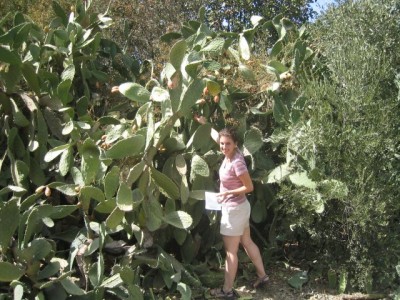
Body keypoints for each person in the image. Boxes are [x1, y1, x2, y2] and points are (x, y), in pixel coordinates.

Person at [210, 128, 269, 299]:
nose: (223, 147)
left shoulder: (237, 162)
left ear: (236, 144)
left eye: (228, 144)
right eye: (222, 144)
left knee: (231, 252)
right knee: (247, 242)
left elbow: (249, 187)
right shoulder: (229, 153)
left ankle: (227, 291)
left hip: (234, 210)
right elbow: (217, 137)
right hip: (240, 208)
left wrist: (227, 193)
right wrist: (205, 124)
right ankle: (263, 276)